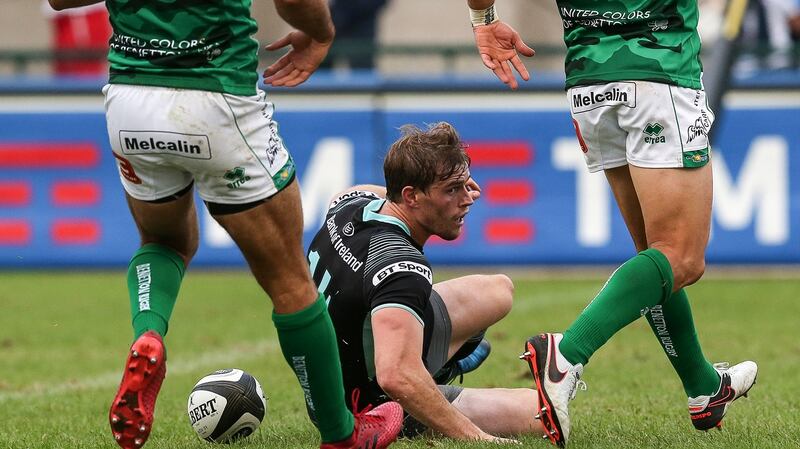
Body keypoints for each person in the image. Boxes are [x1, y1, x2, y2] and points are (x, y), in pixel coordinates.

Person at [45, 1, 403, 449]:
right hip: (215, 96)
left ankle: (149, 333)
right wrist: (322, 34)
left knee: (163, 240)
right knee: (290, 280)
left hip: (131, 98)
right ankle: (342, 434)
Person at [465, 0, 758, 446]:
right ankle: (564, 356)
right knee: (681, 259)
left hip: (590, 80)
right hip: (658, 66)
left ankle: (702, 387)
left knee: (655, 257)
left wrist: (483, 18)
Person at [306, 122, 547, 442]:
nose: (469, 198)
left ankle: (433, 362)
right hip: (366, 404)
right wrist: (477, 438)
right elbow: (395, 376)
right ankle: (431, 375)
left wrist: (450, 180)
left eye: (464, 185)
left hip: (327, 380)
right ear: (412, 196)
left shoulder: (349, 204)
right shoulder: (401, 267)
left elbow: (375, 193)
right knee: (542, 413)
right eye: (452, 190)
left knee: (498, 291)